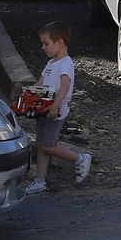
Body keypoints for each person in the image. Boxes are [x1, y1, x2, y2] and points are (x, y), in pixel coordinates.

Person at [26, 24, 93, 194]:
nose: (43, 47)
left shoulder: (65, 63)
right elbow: (40, 83)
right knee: (42, 145)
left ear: (60, 42)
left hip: (55, 112)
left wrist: (55, 106)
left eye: (46, 43)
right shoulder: (51, 63)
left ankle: (80, 158)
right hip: (43, 110)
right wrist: (26, 97)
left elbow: (65, 86)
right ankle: (40, 180)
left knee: (47, 146)